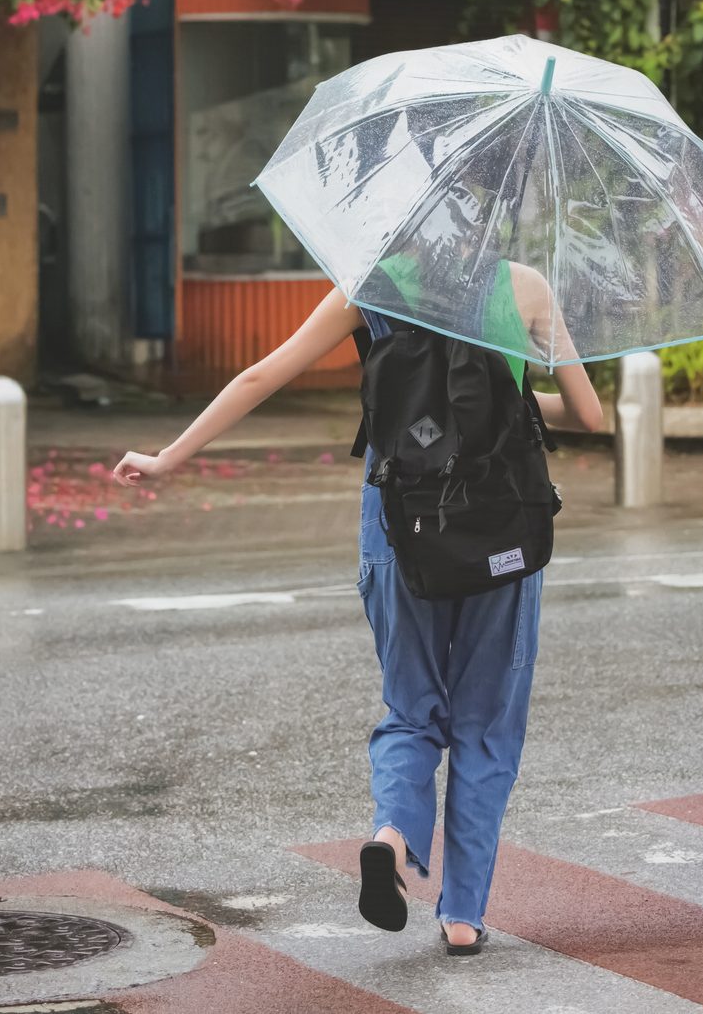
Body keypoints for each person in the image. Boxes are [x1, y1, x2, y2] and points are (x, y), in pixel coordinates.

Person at [112, 266, 603, 956]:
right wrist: (515, 389)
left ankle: (392, 837)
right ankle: (462, 915)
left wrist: (167, 458)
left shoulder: (370, 288)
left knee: (411, 708)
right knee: (486, 723)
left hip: (400, 526)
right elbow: (589, 416)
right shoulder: (525, 288)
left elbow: (262, 374)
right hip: (501, 526)